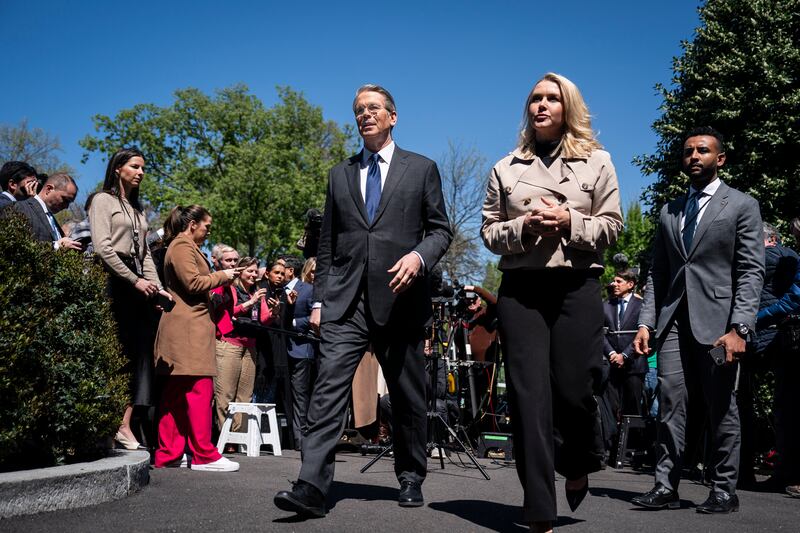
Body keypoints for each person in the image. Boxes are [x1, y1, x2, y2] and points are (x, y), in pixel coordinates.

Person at [273, 84, 452, 517]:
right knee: (327, 392)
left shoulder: (421, 168)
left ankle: (410, 475)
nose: (364, 115)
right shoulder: (339, 174)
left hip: (400, 297)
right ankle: (311, 486)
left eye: (373, 108)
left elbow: (441, 230)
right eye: (358, 110)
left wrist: (418, 257)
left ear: (392, 117)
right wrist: (320, 301)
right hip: (345, 304)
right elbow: (329, 244)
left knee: (408, 397)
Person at [481, 72, 623, 532]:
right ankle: (539, 507)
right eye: (535, 99)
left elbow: (613, 227)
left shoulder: (598, 161)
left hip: (577, 285)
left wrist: (568, 221)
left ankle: (579, 460)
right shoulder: (505, 167)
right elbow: (488, 232)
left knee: (575, 387)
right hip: (522, 290)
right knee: (527, 398)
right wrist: (523, 229)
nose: (541, 106)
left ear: (568, 108)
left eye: (552, 99)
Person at [632, 126, 764, 514]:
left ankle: (725, 490)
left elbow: (750, 271)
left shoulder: (741, 205)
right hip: (673, 323)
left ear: (719, 159)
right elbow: (657, 271)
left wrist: (741, 327)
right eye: (688, 151)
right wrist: (646, 322)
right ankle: (665, 486)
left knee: (722, 406)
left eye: (702, 151)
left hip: (720, 325)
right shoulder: (670, 211)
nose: (693, 156)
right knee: (671, 403)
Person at [153, 204, 243, 472]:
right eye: (206, 227)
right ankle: (204, 454)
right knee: (198, 389)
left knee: (177, 392)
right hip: (188, 328)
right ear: (192, 224)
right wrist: (222, 276)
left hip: (186, 327)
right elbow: (192, 283)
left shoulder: (184, 247)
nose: (208, 231)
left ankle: (169, 453)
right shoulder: (182, 247)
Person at [89, 148, 168, 449]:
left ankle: (125, 424)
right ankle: (107, 425)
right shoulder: (102, 200)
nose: (141, 172)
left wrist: (157, 287)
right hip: (113, 280)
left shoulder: (138, 210)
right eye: (135, 166)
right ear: (118, 168)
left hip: (138, 283)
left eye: (143, 168)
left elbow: (145, 254)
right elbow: (103, 248)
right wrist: (135, 281)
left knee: (139, 358)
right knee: (115, 353)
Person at [753, 223, 800, 498]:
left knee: (787, 407)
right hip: (785, 338)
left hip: (782, 334)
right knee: (786, 405)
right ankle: (785, 472)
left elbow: (795, 298)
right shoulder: (791, 256)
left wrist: (757, 317)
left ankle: (787, 472)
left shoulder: (777, 258)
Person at [210, 256, 275, 440]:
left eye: (256, 271)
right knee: (225, 395)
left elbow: (263, 319)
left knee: (245, 397)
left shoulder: (256, 291)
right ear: (240, 271)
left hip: (250, 347)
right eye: (250, 270)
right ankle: (225, 438)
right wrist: (251, 301)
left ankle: (239, 437)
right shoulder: (230, 288)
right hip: (229, 344)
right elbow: (230, 312)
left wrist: (274, 313)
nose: (254, 274)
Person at [282, 255, 316, 450]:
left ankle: (300, 439)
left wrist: (293, 323)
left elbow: (316, 316)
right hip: (282, 348)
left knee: (301, 396)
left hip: (302, 349)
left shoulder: (310, 290)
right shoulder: (282, 290)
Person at [603, 269, 646, 417]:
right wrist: (612, 354)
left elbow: (645, 334)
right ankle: (613, 439)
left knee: (633, 411)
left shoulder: (642, 305)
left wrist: (625, 355)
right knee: (612, 410)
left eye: (618, 281)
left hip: (635, 365)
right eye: (614, 281)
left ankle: (634, 440)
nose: (614, 284)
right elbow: (600, 333)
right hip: (612, 366)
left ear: (630, 284)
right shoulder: (606, 305)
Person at [11, 173, 81, 250]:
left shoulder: (52, 220)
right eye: (65, 200)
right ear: (49, 189)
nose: (66, 206)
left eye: (69, 202)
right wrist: (56, 246)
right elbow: (15, 244)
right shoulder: (20, 208)